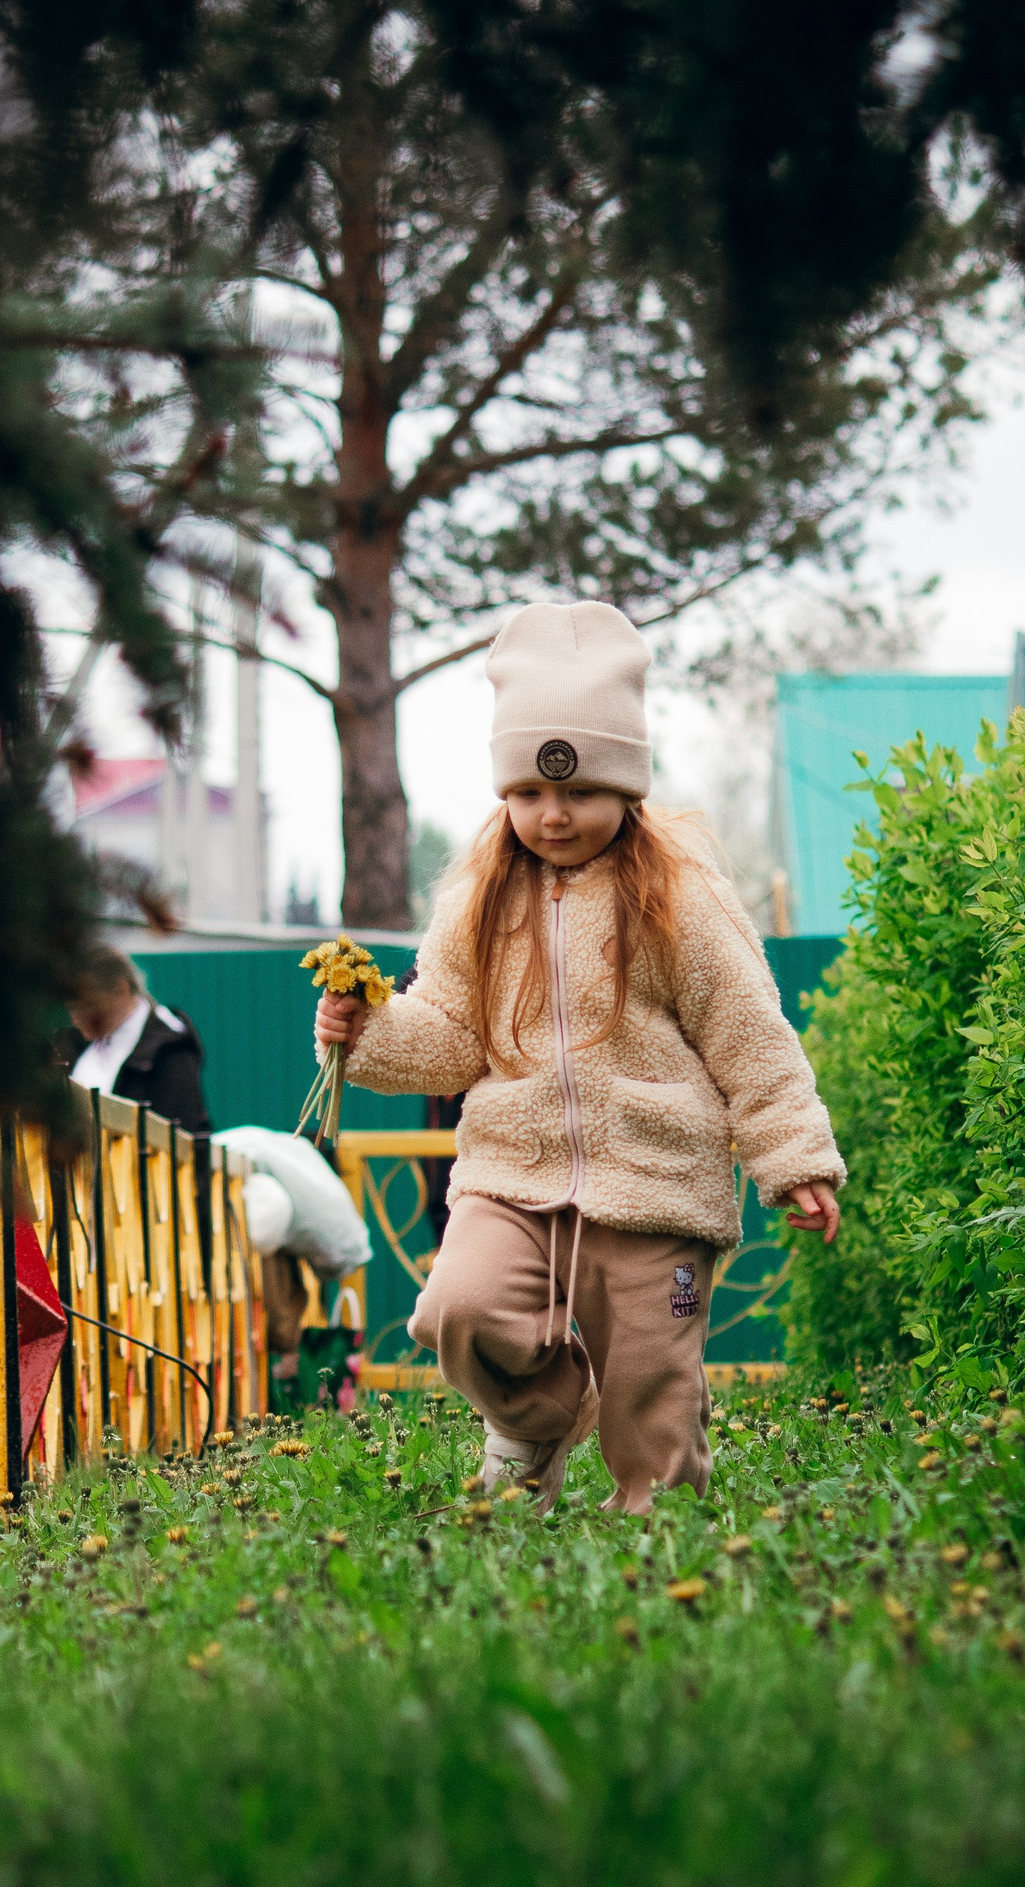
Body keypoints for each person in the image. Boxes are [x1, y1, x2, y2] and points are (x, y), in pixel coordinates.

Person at [312, 599, 843, 1517]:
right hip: (512, 1173)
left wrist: (792, 1156)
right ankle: (539, 1418)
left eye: (579, 792)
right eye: (528, 794)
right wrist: (368, 1031)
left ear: (627, 787)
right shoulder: (478, 899)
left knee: (649, 1380)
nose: (553, 816)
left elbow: (748, 1030)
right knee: (458, 1309)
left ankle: (658, 1522)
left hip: (654, 1180)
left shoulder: (678, 893)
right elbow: (450, 1036)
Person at [219, 1125, 373, 1407]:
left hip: (223, 1168)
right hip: (247, 1186)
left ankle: (276, 1389)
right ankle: (292, 1392)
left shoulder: (286, 1167)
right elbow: (345, 1257)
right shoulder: (316, 1188)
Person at [64, 945, 213, 1137]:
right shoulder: (79, 1044)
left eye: (89, 1005)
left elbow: (181, 1137)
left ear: (121, 989)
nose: (76, 1019)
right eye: (72, 1008)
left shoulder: (170, 1049)